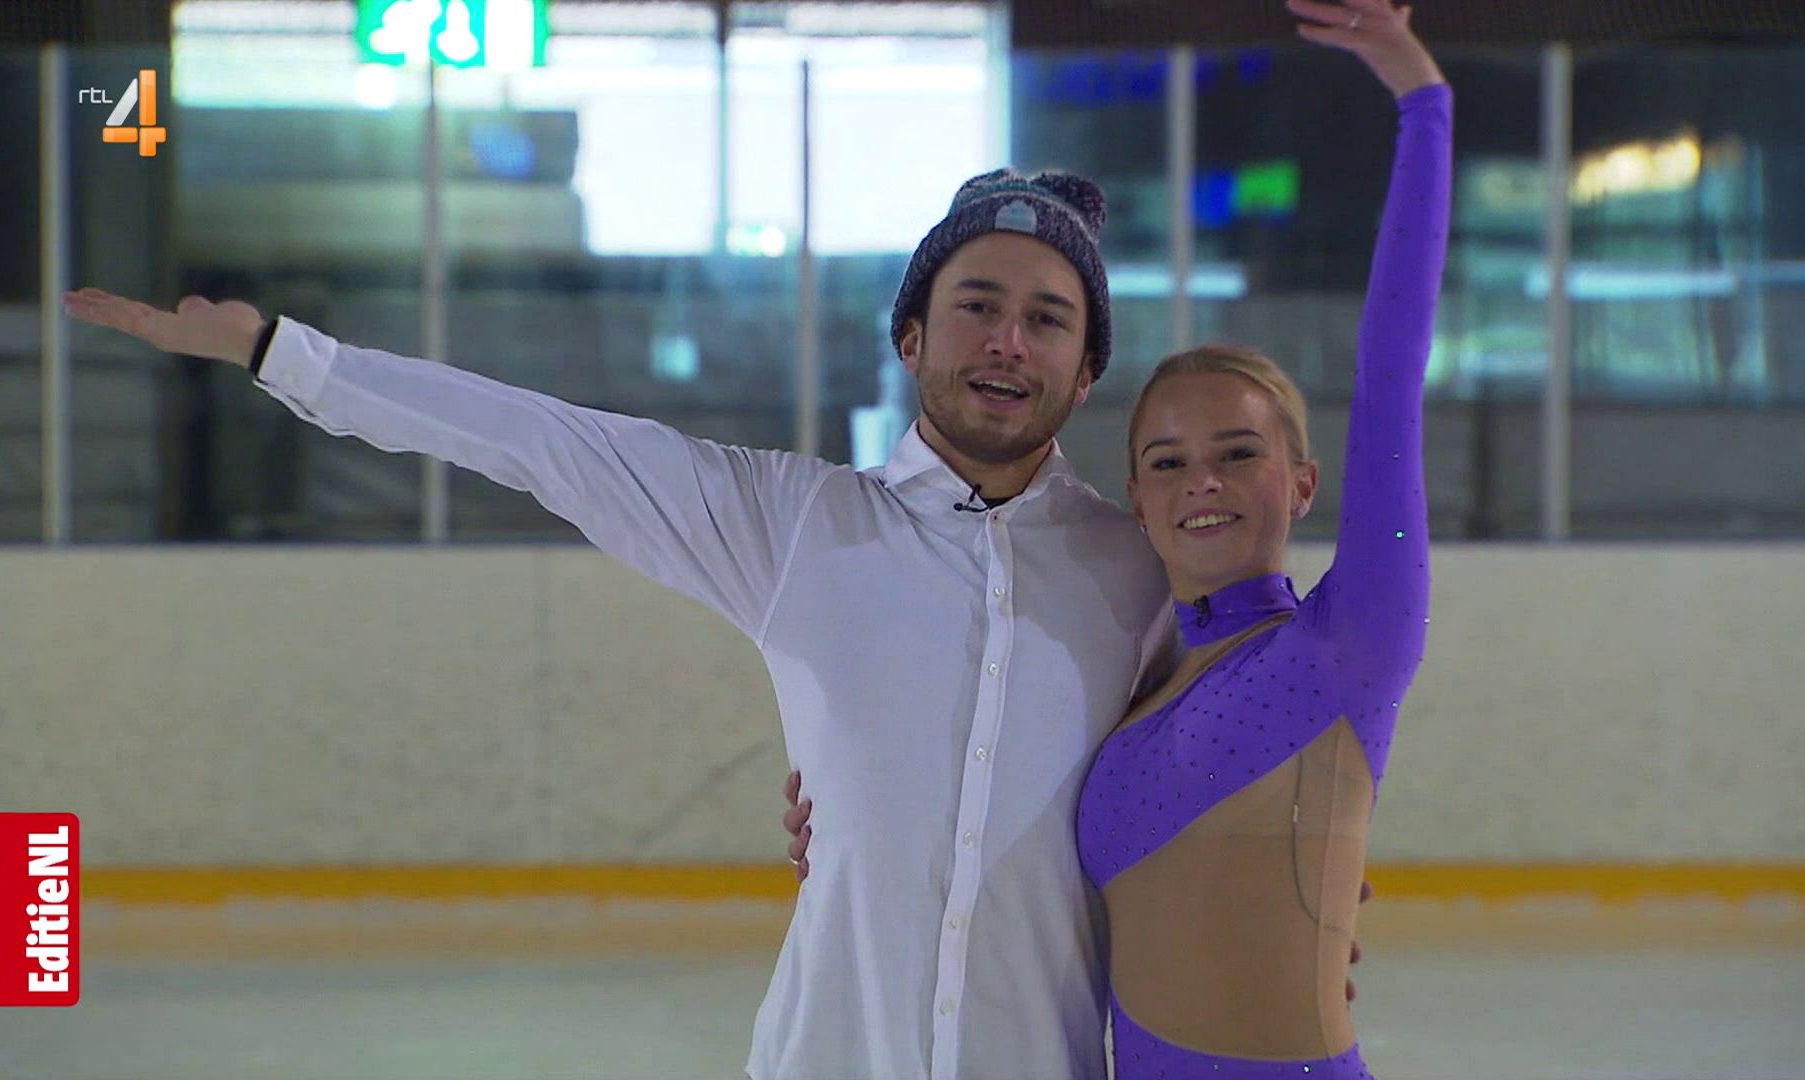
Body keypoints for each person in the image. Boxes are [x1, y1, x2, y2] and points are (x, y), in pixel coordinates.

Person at [66, 167, 1172, 1079]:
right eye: (977, 305)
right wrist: (283, 353)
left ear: (1085, 374)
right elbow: (541, 441)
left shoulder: (1139, 574)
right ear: (913, 337)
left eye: (1046, 319)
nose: (1007, 341)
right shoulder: (795, 524)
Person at [1075, 2, 1450, 1076]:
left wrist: (1421, 98)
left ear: (1302, 483)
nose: (1202, 480)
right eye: (1167, 461)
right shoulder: (1127, 684)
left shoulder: (1346, 647)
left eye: (1238, 452)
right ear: (1137, 502)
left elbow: (1391, 368)